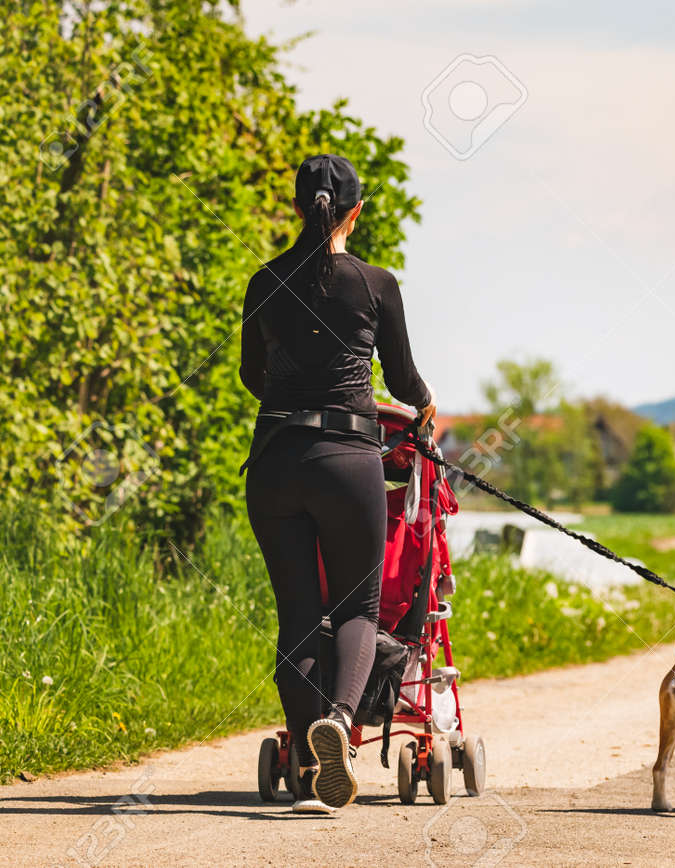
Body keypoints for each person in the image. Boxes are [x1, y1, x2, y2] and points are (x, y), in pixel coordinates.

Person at [239, 154, 435, 813]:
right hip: (348, 458)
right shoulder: (375, 283)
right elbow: (402, 382)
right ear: (355, 211)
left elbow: (251, 376)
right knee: (356, 605)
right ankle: (338, 725)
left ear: (298, 207)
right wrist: (426, 406)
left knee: (296, 613)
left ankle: (303, 744)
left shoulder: (263, 281)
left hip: (273, 460)